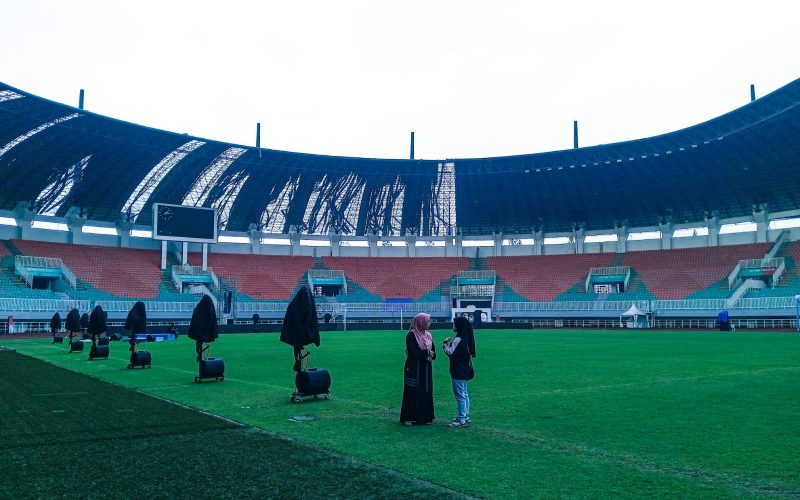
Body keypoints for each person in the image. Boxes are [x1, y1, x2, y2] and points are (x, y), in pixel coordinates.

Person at [400, 313, 436, 425]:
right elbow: (412, 352)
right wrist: (427, 353)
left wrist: (431, 354)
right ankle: (409, 417)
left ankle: (425, 417)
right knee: (412, 391)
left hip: (426, 369)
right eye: (428, 321)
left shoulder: (428, 335)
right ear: (421, 322)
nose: (429, 323)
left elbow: (434, 351)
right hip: (414, 368)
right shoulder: (411, 335)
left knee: (426, 390)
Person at [443, 316, 476, 427]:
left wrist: (445, 345)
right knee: (464, 394)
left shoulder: (458, 339)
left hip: (458, 371)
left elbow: (451, 353)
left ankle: (461, 419)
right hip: (465, 370)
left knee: (460, 396)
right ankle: (465, 416)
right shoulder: (466, 338)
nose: (453, 326)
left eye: (454, 324)